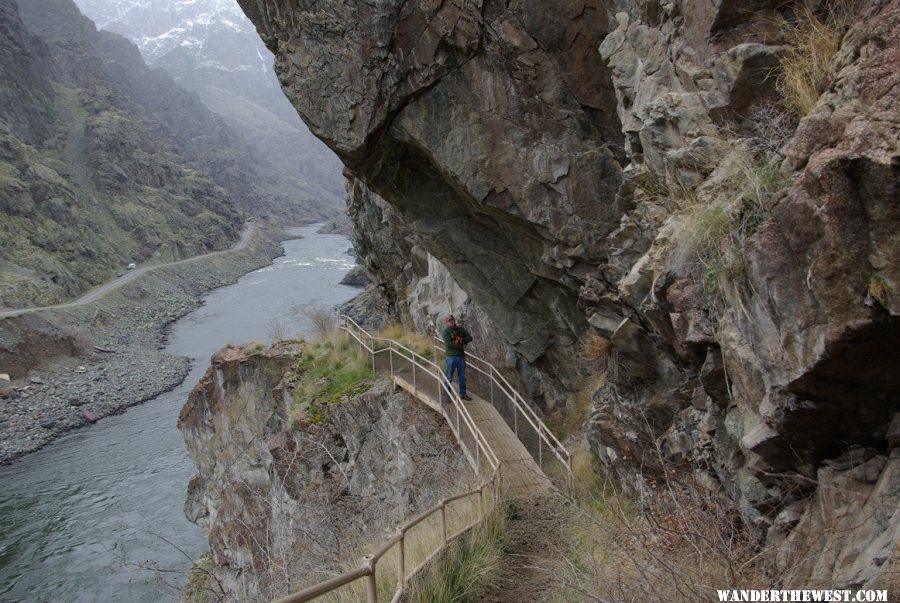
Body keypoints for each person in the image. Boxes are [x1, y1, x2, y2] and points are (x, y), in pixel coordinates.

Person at [442, 313, 473, 401]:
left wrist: (462, 340)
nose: (451, 322)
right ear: (446, 323)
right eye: (449, 321)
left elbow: (470, 337)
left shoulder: (460, 329)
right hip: (451, 356)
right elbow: (449, 344)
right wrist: (460, 345)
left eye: (452, 320)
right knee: (449, 376)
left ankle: (463, 394)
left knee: (462, 376)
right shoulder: (446, 332)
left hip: (461, 356)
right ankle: (446, 395)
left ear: (454, 320)